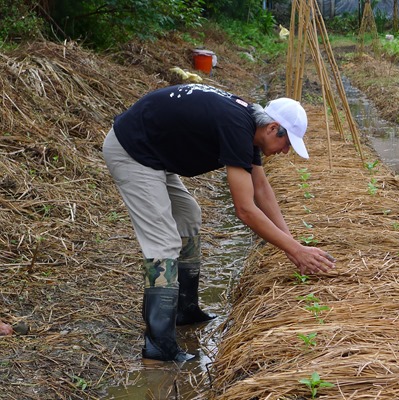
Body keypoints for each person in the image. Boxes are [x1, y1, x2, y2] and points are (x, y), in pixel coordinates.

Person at [102, 83, 336, 362]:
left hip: (153, 150)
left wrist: (292, 246)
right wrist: (296, 251)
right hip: (132, 151)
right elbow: (245, 210)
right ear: (274, 128)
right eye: (287, 144)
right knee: (163, 241)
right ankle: (158, 344)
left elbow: (261, 188)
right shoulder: (237, 127)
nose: (286, 151)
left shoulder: (249, 126)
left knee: (188, 216)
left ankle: (184, 310)